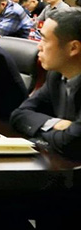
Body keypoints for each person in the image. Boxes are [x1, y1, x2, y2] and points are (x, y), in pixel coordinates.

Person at [11, 8, 81, 158]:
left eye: (44, 39)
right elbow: (19, 115)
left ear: (73, 48)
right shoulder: (56, 76)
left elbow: (73, 142)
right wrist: (55, 124)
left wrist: (41, 129)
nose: (39, 46)